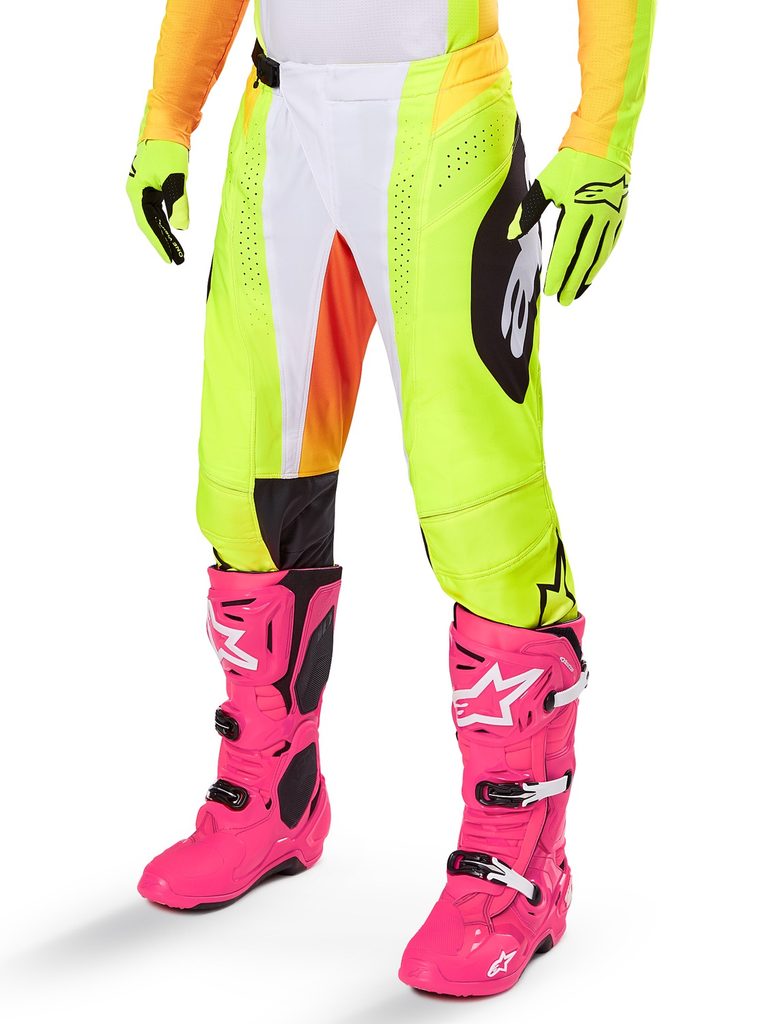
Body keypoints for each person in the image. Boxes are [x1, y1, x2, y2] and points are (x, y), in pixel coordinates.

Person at [126, 0, 654, 997]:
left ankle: (520, 863)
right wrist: (168, 115)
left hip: (444, 119)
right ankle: (269, 799)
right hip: (280, 120)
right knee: (246, 483)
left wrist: (601, 137)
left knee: (478, 500)